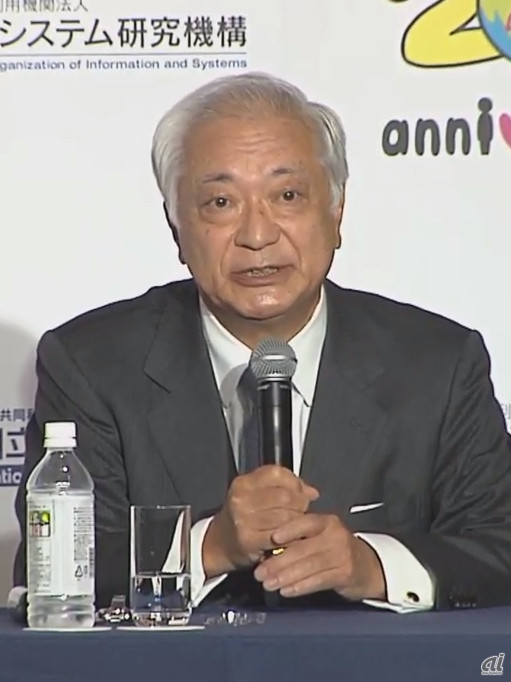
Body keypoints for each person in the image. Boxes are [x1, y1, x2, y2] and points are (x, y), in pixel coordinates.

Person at [13, 72, 511, 613]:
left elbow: (498, 548)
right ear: (176, 227)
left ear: (336, 212)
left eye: (287, 195)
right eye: (221, 202)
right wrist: (209, 545)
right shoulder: (91, 365)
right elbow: (50, 571)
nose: (257, 235)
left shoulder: (438, 364)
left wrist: (371, 565)